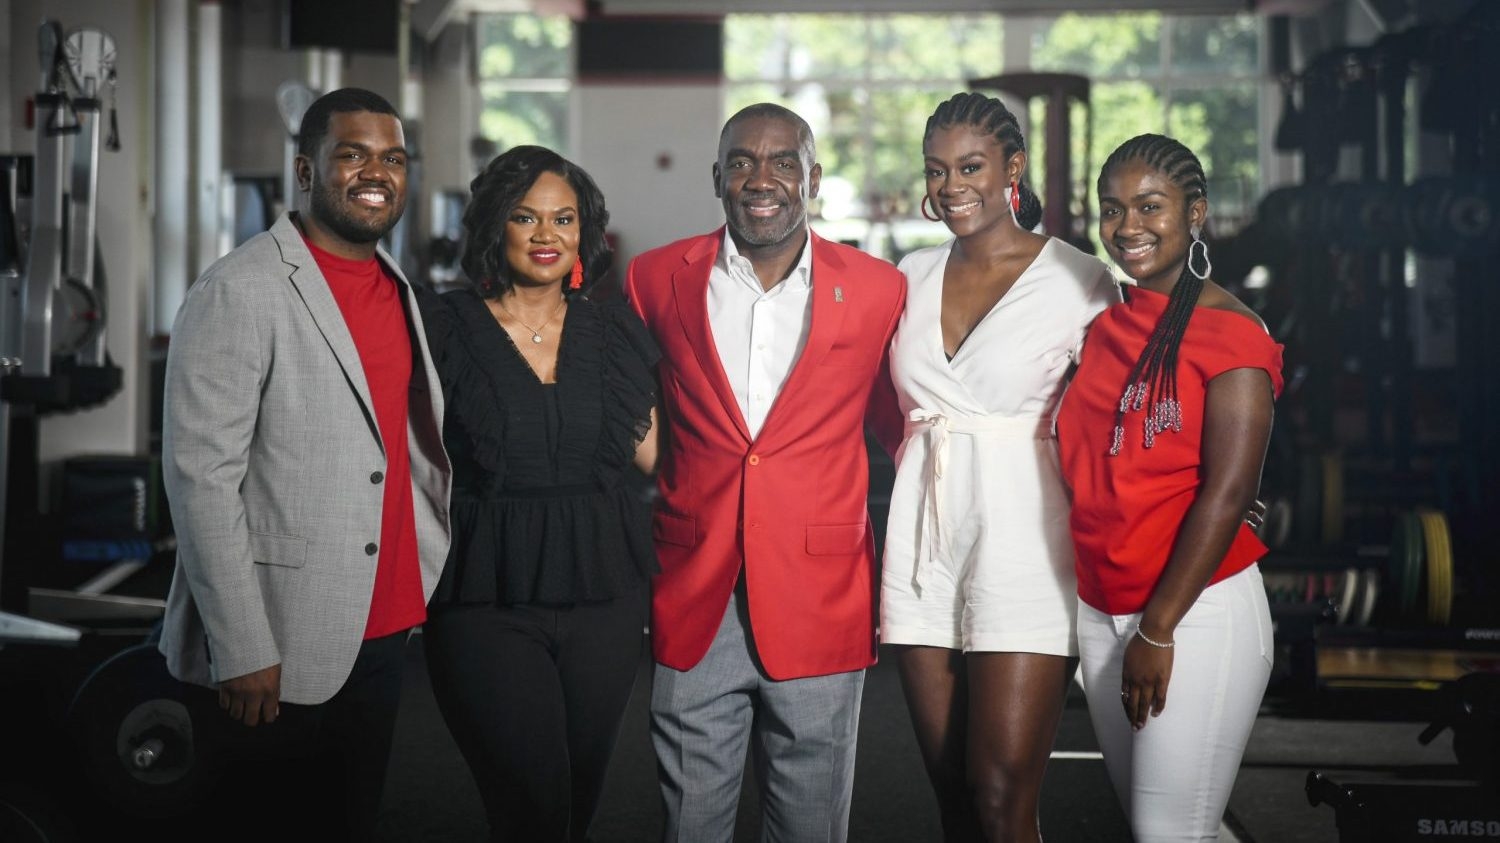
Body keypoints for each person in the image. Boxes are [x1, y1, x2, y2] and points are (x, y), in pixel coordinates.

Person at [158, 87, 451, 840]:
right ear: (305, 169)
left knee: (349, 822)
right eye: (351, 155)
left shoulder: (397, 286)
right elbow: (200, 478)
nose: (375, 173)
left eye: (392, 158)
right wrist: (242, 643)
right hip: (274, 640)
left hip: (381, 624)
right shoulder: (241, 288)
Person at [623, 103, 906, 842]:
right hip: (695, 591)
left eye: (785, 161)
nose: (762, 177)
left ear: (813, 178)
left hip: (821, 594)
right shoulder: (654, 279)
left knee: (811, 824)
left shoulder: (879, 289)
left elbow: (908, 427)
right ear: (717, 177)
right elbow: (628, 414)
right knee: (689, 823)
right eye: (742, 160)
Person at [878, 91, 1120, 842]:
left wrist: (1219, 487)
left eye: (972, 166)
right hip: (921, 539)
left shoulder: (1082, 280)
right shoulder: (907, 275)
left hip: (1024, 542)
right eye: (938, 169)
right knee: (951, 792)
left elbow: (1131, 418)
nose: (953, 185)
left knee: (1000, 793)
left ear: (1013, 167)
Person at [414, 145, 660, 842]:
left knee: (575, 806)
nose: (547, 234)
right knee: (533, 805)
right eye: (527, 217)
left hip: (604, 596)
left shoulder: (614, 331)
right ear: (497, 225)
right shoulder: (441, 326)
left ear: (586, 233)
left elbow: (657, 455)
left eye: (564, 218)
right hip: (486, 598)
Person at [1055, 134, 1282, 842]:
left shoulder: (1235, 336)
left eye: (1151, 207)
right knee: (1178, 827)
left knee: (1166, 831)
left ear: (1197, 214)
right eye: (1113, 209)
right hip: (1101, 609)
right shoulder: (1099, 326)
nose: (1128, 227)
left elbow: (1228, 488)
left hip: (1193, 612)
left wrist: (1158, 627)